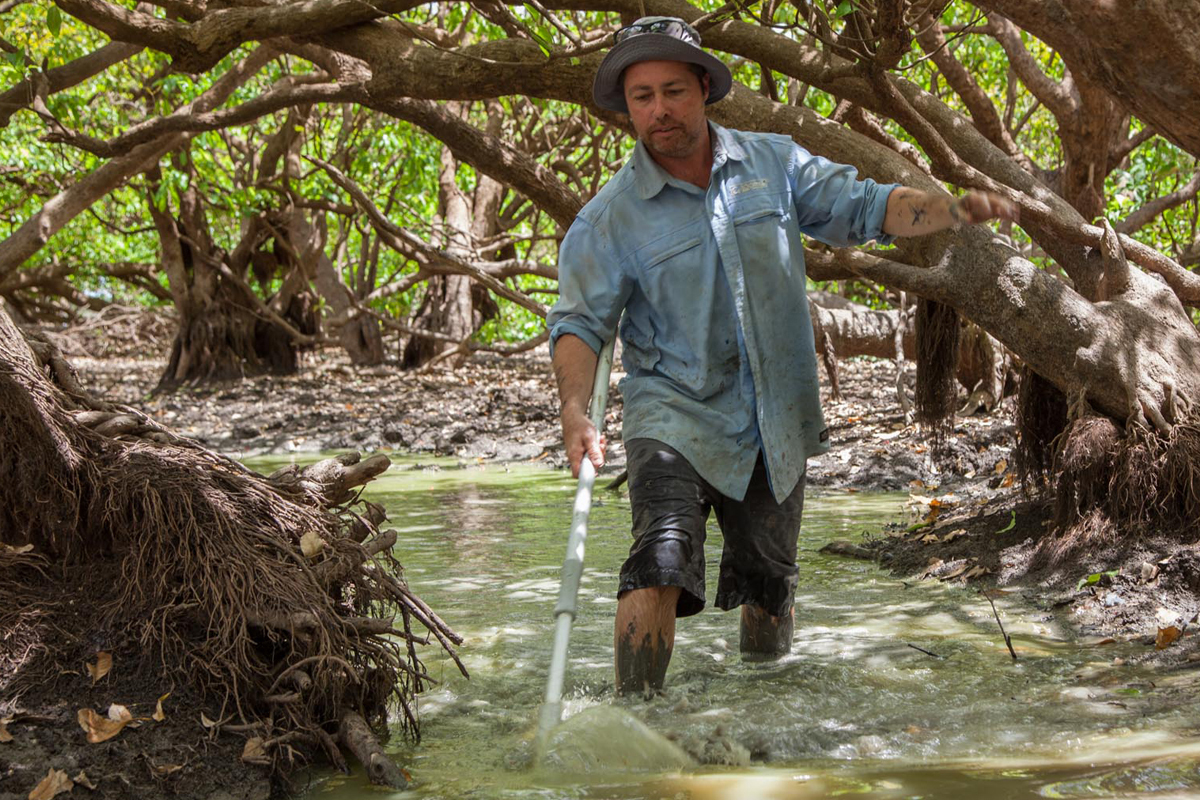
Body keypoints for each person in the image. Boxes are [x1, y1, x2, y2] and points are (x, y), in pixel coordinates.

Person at [546, 16, 1018, 697]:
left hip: (777, 414)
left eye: (673, 90)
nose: (658, 110)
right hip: (672, 413)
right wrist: (572, 410)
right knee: (660, 557)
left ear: (704, 87)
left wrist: (948, 210)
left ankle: (766, 713)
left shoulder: (773, 163)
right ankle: (638, 717)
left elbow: (865, 206)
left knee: (770, 583)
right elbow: (580, 324)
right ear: (627, 106)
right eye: (642, 96)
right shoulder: (609, 218)